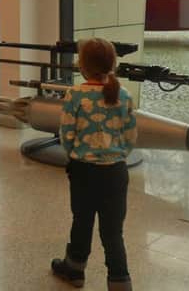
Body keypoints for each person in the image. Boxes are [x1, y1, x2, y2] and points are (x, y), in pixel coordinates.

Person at [51, 38, 137, 291]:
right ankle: (120, 280)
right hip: (116, 172)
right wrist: (116, 155)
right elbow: (131, 136)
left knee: (82, 220)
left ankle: (75, 269)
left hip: (84, 171)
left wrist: (75, 154)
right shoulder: (123, 95)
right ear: (113, 63)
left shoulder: (75, 94)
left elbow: (66, 133)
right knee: (112, 232)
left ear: (82, 65)